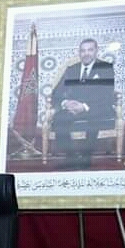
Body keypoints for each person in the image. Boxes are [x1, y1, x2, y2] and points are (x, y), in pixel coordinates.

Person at [50, 38, 115, 169]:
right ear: (79, 53)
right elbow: (56, 92)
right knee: (59, 118)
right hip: (74, 109)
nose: (86, 54)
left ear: (96, 51)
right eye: (83, 51)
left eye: (90, 50)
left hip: (96, 108)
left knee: (94, 117)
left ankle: (86, 158)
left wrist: (84, 107)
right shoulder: (71, 69)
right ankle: (71, 158)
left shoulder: (105, 68)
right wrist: (66, 103)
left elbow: (106, 95)